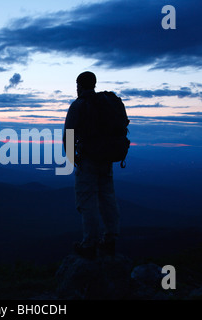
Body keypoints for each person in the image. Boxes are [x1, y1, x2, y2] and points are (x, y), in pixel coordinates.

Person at [63, 71, 120, 259]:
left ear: (80, 85)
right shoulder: (105, 103)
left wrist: (74, 159)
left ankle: (89, 244)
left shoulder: (79, 106)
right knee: (107, 199)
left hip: (88, 160)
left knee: (87, 202)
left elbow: (68, 136)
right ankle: (110, 239)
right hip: (106, 160)